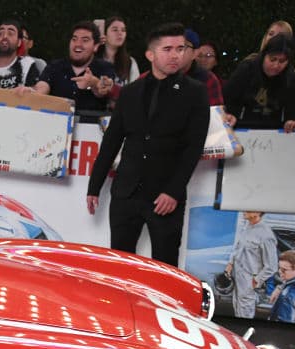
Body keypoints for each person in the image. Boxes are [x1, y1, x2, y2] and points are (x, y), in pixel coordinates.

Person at [86, 23, 209, 267]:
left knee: (164, 267)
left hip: (165, 197)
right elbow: (112, 140)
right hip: (126, 192)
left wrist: (173, 191)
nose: (176, 55)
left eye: (180, 48)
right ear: (150, 54)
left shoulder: (195, 92)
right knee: (120, 265)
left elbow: (193, 148)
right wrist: (94, 186)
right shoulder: (131, 92)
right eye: (168, 49)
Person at [223, 35, 295, 132]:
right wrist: (228, 114)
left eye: (282, 61)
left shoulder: (291, 79)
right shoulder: (246, 69)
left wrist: (293, 120)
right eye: (272, 59)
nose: (276, 65)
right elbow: (227, 98)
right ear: (264, 55)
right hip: (241, 128)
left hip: (275, 131)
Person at [30, 21, 116, 112]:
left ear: (96, 46)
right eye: (74, 39)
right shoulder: (55, 66)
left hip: (91, 124)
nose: (78, 44)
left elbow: (102, 90)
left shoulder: (105, 67)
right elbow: (43, 86)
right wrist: (31, 91)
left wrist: (93, 82)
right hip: (57, 122)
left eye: (85, 40)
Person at [225, 211, 278, 319]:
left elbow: (272, 266)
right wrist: (230, 263)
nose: (244, 211)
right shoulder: (247, 226)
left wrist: (257, 280)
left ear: (257, 212)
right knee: (237, 309)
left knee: (245, 314)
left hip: (249, 281)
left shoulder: (266, 235)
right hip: (237, 277)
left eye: (248, 209)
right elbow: (238, 247)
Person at [181, 29, 225, 106]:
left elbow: (215, 112)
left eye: (208, 56)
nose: (203, 59)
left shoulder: (209, 79)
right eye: (200, 55)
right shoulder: (162, 73)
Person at [96, 17, 140, 86]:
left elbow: (135, 90)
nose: (120, 33)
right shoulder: (93, 59)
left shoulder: (130, 62)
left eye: (123, 30)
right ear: (104, 34)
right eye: (115, 30)